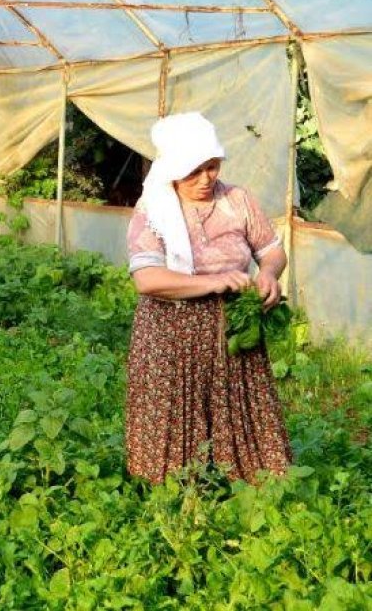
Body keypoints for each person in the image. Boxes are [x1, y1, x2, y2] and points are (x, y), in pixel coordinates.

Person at [124, 112, 292, 484]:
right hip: (171, 330)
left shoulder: (238, 200)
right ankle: (173, 487)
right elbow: (148, 279)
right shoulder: (154, 209)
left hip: (233, 327)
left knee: (239, 402)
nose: (205, 179)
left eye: (212, 167)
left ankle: (248, 481)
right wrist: (215, 282)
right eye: (193, 171)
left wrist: (267, 274)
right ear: (172, 170)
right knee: (176, 407)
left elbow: (272, 251)